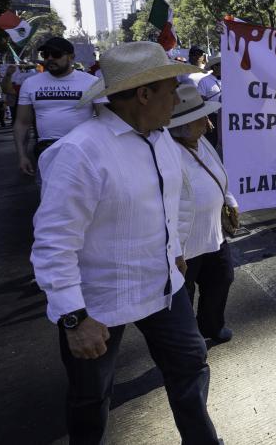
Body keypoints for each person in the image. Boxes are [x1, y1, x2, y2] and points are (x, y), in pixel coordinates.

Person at [31, 42, 218, 445]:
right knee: (90, 396)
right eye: (172, 87)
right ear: (144, 94)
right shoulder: (79, 153)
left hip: (165, 286)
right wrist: (74, 319)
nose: (179, 96)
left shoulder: (161, 137)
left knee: (190, 368)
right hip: (99, 302)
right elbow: (53, 243)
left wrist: (177, 249)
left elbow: (173, 198)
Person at [170, 83, 236, 344]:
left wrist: (229, 200)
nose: (208, 122)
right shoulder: (168, 152)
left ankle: (211, 326)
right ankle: (189, 341)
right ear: (183, 125)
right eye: (201, 118)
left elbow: (218, 174)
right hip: (185, 245)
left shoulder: (201, 142)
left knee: (222, 279)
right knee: (183, 296)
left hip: (213, 235)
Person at [15, 37, 99, 178]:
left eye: (56, 54)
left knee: (86, 196)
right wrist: (22, 156)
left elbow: (105, 117)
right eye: (45, 54)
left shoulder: (92, 82)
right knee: (51, 196)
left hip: (83, 149)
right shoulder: (30, 83)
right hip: (47, 150)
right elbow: (22, 123)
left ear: (71, 57)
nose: (50, 58)